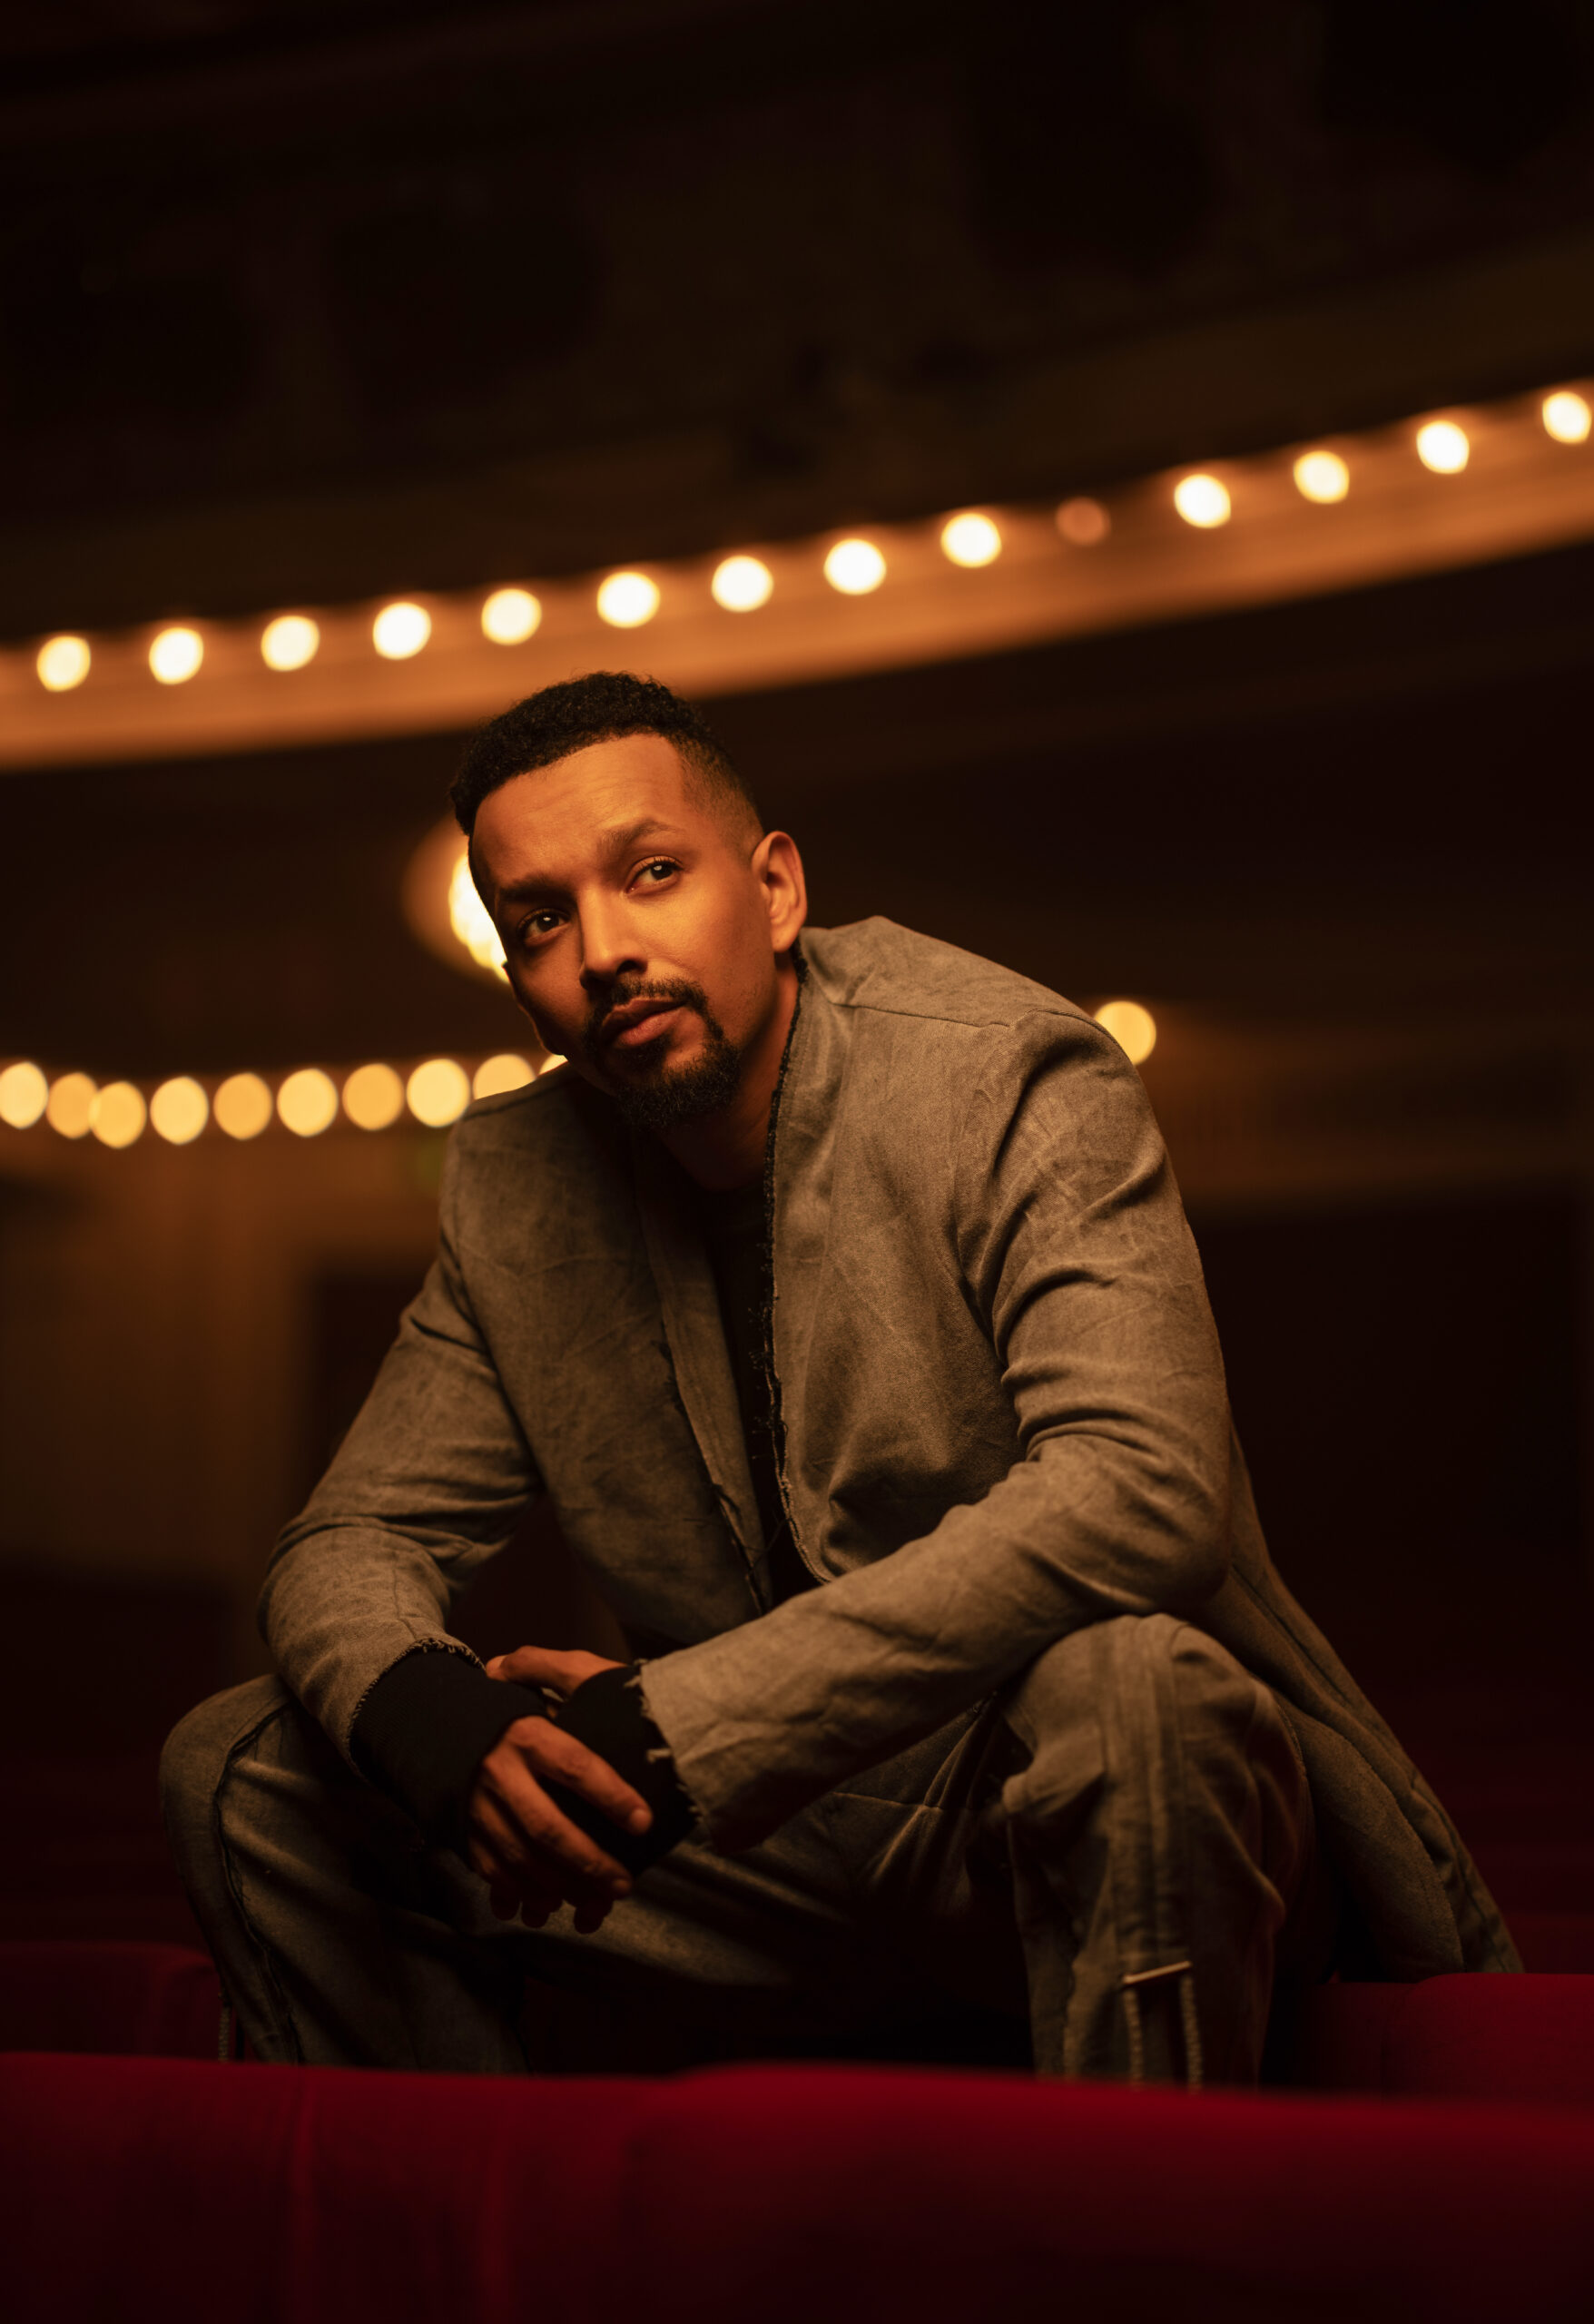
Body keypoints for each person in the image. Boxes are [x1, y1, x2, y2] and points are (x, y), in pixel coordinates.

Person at [162, 671, 1517, 2080]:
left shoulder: (1007, 1072)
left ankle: (1127, 2197)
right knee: (243, 1769)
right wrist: (441, 1720)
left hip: (1051, 1807)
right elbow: (350, 1539)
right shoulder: (516, 1184)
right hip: (761, 1861)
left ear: (776, 889)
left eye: (652, 873)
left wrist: (676, 1724)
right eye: (542, 920)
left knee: (1136, 1692)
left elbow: (1144, 1488)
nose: (605, 950)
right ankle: (508, 2202)